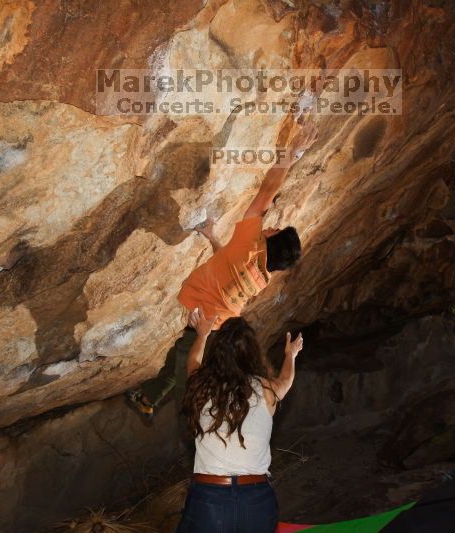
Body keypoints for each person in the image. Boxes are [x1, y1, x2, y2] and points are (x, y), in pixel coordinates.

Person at [127, 118, 317, 421]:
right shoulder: (260, 275)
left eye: (277, 228)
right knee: (177, 359)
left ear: (273, 238)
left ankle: (187, 426)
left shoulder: (251, 241)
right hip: (222, 329)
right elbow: (227, 266)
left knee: (187, 375)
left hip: (205, 327)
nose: (273, 225)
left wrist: (292, 152)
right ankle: (149, 397)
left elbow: (269, 188)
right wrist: (213, 236)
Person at [175, 311, 303, 533]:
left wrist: (203, 335)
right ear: (252, 354)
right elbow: (285, 380)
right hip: (256, 501)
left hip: (209, 500)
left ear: (217, 352)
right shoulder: (266, 389)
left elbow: (193, 361)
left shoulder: (202, 386)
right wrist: (290, 355)